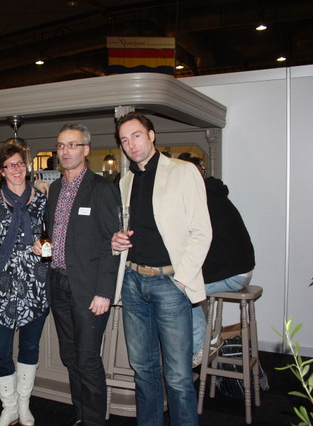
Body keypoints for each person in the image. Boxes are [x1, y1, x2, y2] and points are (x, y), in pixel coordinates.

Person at [111, 111, 212, 425]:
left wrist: (181, 281)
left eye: (136, 136)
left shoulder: (183, 171)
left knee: (178, 376)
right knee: (143, 371)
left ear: (151, 135)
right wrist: (116, 241)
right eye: (124, 140)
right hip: (132, 281)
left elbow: (202, 232)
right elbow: (126, 230)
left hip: (170, 282)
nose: (131, 144)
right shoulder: (126, 181)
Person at [33, 123, 120, 426]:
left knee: (87, 359)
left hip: (88, 289)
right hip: (57, 283)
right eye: (61, 145)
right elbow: (55, 234)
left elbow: (111, 244)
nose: (65, 151)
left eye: (72, 145)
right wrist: (42, 246)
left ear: (86, 150)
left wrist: (104, 292)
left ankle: (94, 421)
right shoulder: (56, 189)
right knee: (70, 357)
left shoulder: (102, 189)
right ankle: (82, 416)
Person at [0, 144, 49, 426]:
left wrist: (43, 245)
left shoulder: (43, 199)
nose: (16, 169)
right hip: (1, 284)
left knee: (29, 346)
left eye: (20, 163)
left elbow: (52, 237)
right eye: (10, 165)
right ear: (1, 171)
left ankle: (23, 404)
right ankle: (8, 407)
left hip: (36, 283)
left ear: (27, 166)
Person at [178, 153, 256, 366]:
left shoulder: (201, 198)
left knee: (178, 292)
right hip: (240, 268)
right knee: (183, 282)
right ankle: (201, 341)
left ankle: (202, 345)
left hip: (233, 273)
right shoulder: (213, 193)